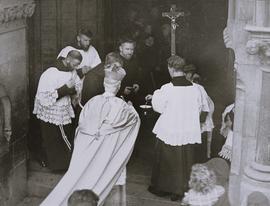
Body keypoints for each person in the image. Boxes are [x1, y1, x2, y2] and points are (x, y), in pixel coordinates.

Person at [40, 60, 141, 206]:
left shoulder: (92, 102)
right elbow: (133, 121)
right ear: (118, 86)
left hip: (87, 151)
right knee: (108, 180)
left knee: (81, 178)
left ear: (104, 84)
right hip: (109, 153)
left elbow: (81, 127)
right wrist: (131, 108)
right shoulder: (123, 107)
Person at [146, 56, 206, 201]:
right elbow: (199, 108)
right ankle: (181, 189)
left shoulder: (167, 88)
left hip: (171, 128)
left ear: (171, 69)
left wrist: (155, 95)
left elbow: (158, 107)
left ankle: (164, 188)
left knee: (168, 158)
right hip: (187, 129)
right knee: (184, 158)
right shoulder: (195, 88)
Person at [33, 50, 83, 172]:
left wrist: (74, 91)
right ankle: (61, 165)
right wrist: (67, 88)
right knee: (57, 137)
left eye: (78, 65)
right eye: (75, 64)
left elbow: (76, 85)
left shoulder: (72, 71)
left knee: (60, 137)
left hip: (63, 108)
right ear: (68, 60)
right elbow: (46, 96)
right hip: (51, 110)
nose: (76, 68)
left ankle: (62, 165)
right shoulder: (51, 73)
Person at [117, 36, 141, 106]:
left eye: (132, 49)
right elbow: (110, 80)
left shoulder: (134, 61)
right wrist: (121, 90)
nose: (130, 52)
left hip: (131, 97)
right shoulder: (115, 61)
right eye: (127, 49)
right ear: (120, 48)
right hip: (118, 97)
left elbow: (137, 75)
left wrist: (136, 83)